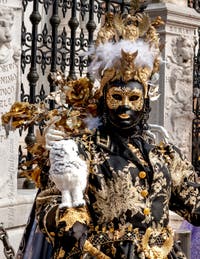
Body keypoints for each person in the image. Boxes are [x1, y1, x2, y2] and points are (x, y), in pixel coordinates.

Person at [2, 3, 200, 259]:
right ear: (104, 98)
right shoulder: (82, 151)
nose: (125, 106)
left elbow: (193, 200)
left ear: (146, 100)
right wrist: (71, 220)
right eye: (117, 96)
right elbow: (48, 202)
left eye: (133, 97)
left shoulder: (164, 156)